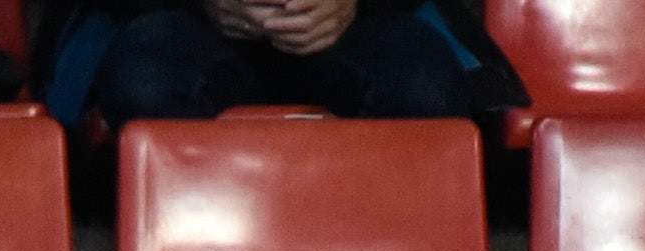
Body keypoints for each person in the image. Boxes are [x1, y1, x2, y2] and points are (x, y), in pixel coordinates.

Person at [36, 0, 512, 127]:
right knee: (143, 84)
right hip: (185, 24)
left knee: (427, 90)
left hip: (350, 24)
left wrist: (353, 2)